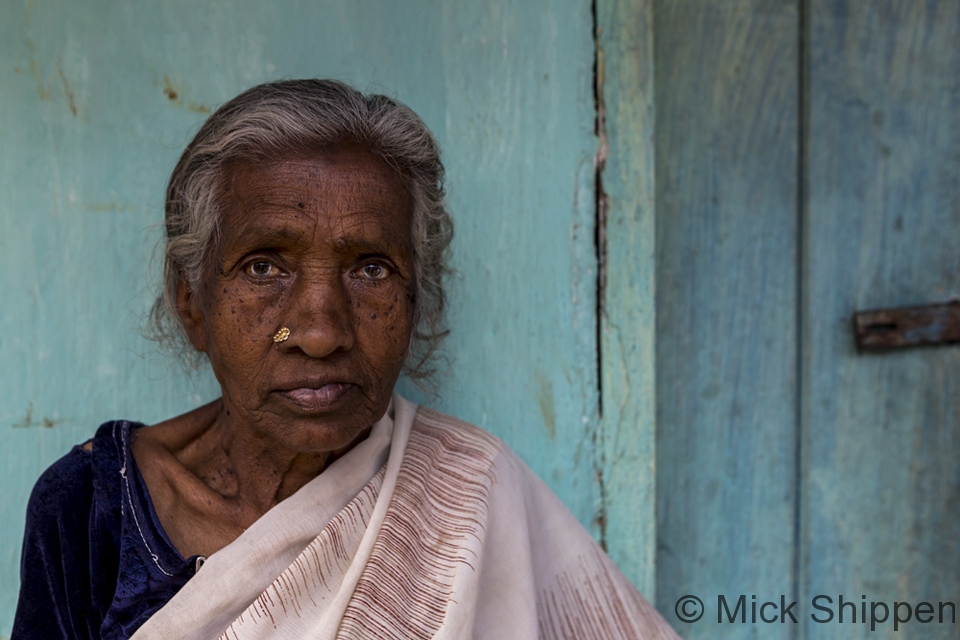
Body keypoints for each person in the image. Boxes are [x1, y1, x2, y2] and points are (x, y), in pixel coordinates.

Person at [12, 79, 680, 640]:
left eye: (371, 269)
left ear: (415, 302)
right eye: (264, 265)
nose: (321, 332)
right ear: (193, 303)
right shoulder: (88, 510)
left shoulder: (475, 497)